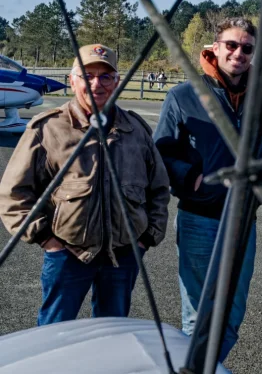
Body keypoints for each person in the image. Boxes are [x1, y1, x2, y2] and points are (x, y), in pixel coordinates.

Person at [0, 44, 170, 326]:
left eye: (106, 76)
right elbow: (13, 193)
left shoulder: (136, 129)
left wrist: (147, 236)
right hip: (68, 254)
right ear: (72, 80)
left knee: (111, 335)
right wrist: (45, 238)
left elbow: (159, 189)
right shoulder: (48, 128)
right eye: (87, 75)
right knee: (53, 336)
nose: (97, 84)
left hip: (123, 255)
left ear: (117, 81)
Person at [153, 17, 262, 361]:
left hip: (243, 223)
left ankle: (206, 368)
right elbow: (161, 152)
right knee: (198, 317)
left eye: (247, 48)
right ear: (215, 48)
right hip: (200, 219)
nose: (239, 53)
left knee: (232, 317)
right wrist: (191, 178)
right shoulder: (183, 95)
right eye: (231, 45)